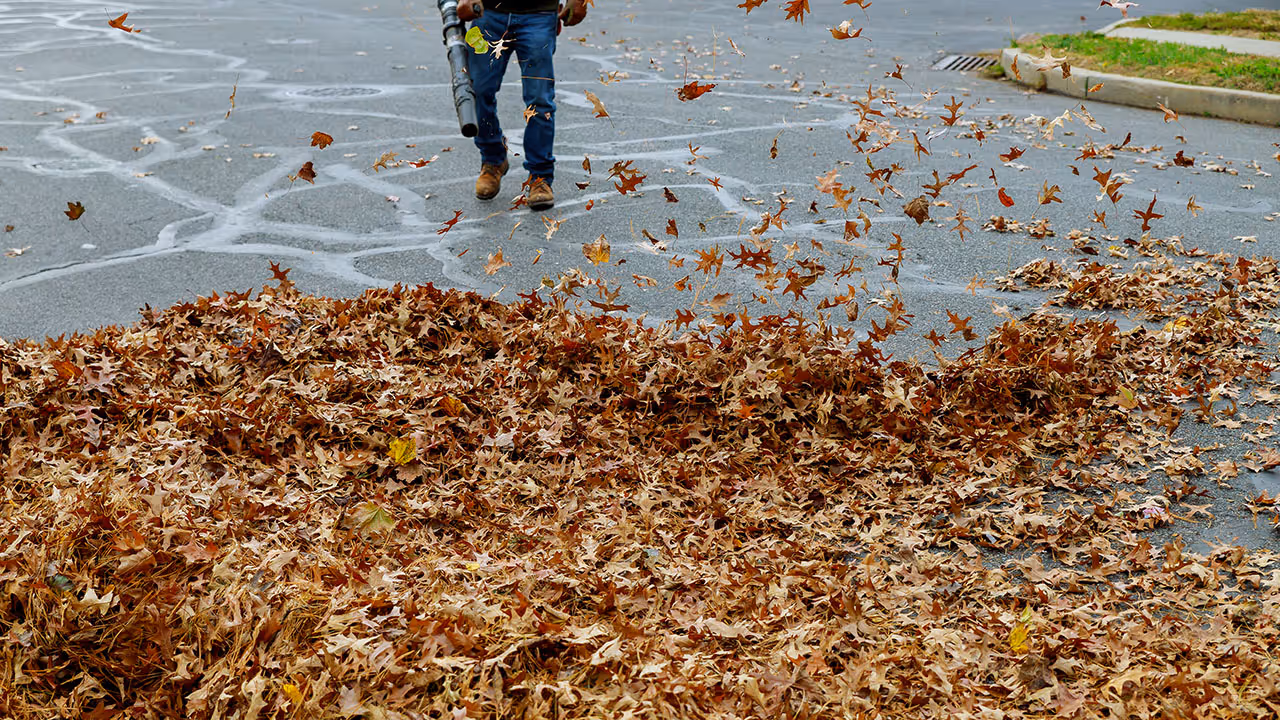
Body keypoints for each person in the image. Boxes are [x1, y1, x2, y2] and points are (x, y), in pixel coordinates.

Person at [457, 0, 587, 211]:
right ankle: (493, 160)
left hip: (539, 15)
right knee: (477, 92)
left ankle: (540, 177)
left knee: (539, 100)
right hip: (488, 14)